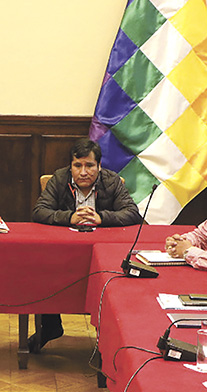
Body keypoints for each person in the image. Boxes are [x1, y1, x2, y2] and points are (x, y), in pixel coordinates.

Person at [30, 138, 141, 352]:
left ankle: (108, 336)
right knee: (42, 269)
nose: (83, 172)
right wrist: (69, 217)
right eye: (77, 165)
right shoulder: (59, 179)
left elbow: (132, 213)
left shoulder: (112, 181)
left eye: (89, 166)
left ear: (99, 167)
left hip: (105, 252)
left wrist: (101, 218)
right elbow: (39, 211)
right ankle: (50, 325)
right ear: (70, 166)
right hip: (64, 252)